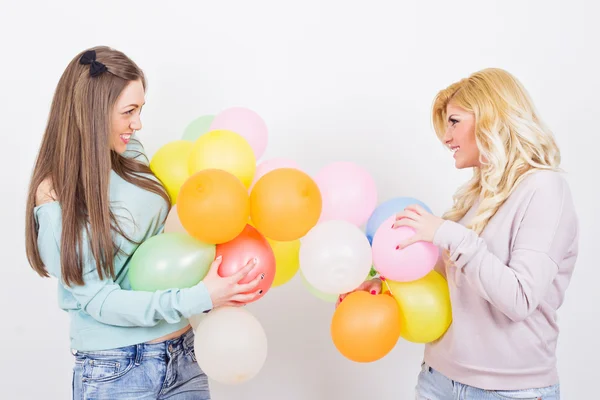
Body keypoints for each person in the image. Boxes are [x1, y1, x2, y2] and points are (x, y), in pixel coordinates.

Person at [24, 46, 264, 399]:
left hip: (183, 353)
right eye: (129, 112)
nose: (138, 124)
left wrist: (217, 281)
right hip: (117, 372)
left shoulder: (130, 154)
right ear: (93, 113)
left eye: (140, 110)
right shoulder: (56, 196)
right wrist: (198, 296)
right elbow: (101, 301)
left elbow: (171, 237)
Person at [338, 68, 578, 399]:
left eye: (454, 122)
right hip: (439, 380)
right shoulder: (480, 192)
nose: (446, 138)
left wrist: (448, 234)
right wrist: (385, 285)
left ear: (492, 117)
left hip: (510, 391)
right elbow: (457, 276)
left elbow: (520, 299)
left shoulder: (544, 189)